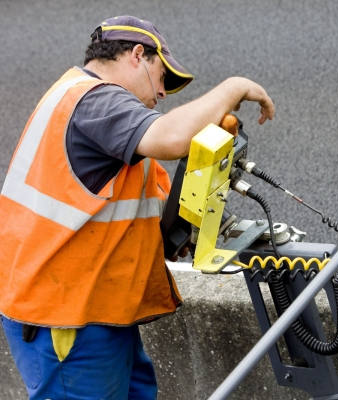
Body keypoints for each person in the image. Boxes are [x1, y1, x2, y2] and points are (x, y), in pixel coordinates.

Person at [0, 15, 274, 399]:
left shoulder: (100, 119)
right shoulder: (95, 100)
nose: (163, 93)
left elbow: (157, 211)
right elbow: (174, 137)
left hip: (94, 311)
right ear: (137, 55)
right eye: (162, 78)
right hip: (65, 318)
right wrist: (235, 87)